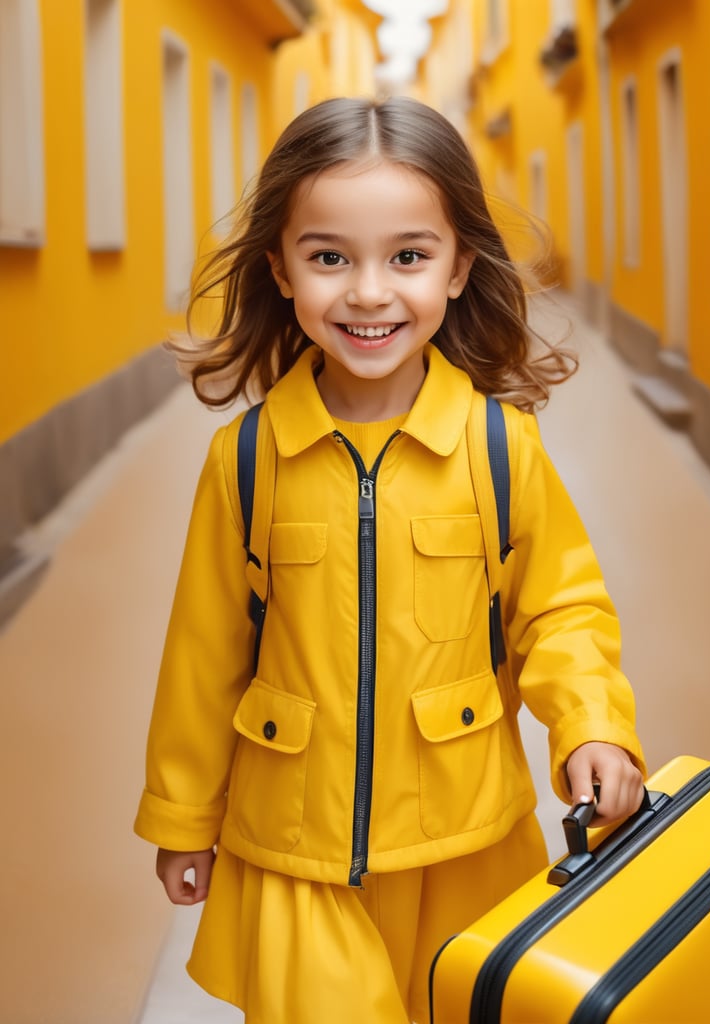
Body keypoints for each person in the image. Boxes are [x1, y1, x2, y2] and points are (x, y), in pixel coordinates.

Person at [134, 96, 646, 1024]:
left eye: (408, 256)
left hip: (467, 843)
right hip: (294, 849)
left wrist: (591, 727)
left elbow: (560, 610)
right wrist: (181, 815)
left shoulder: (499, 448)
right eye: (329, 257)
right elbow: (204, 655)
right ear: (279, 269)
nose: (368, 293)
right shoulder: (246, 459)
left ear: (458, 267)